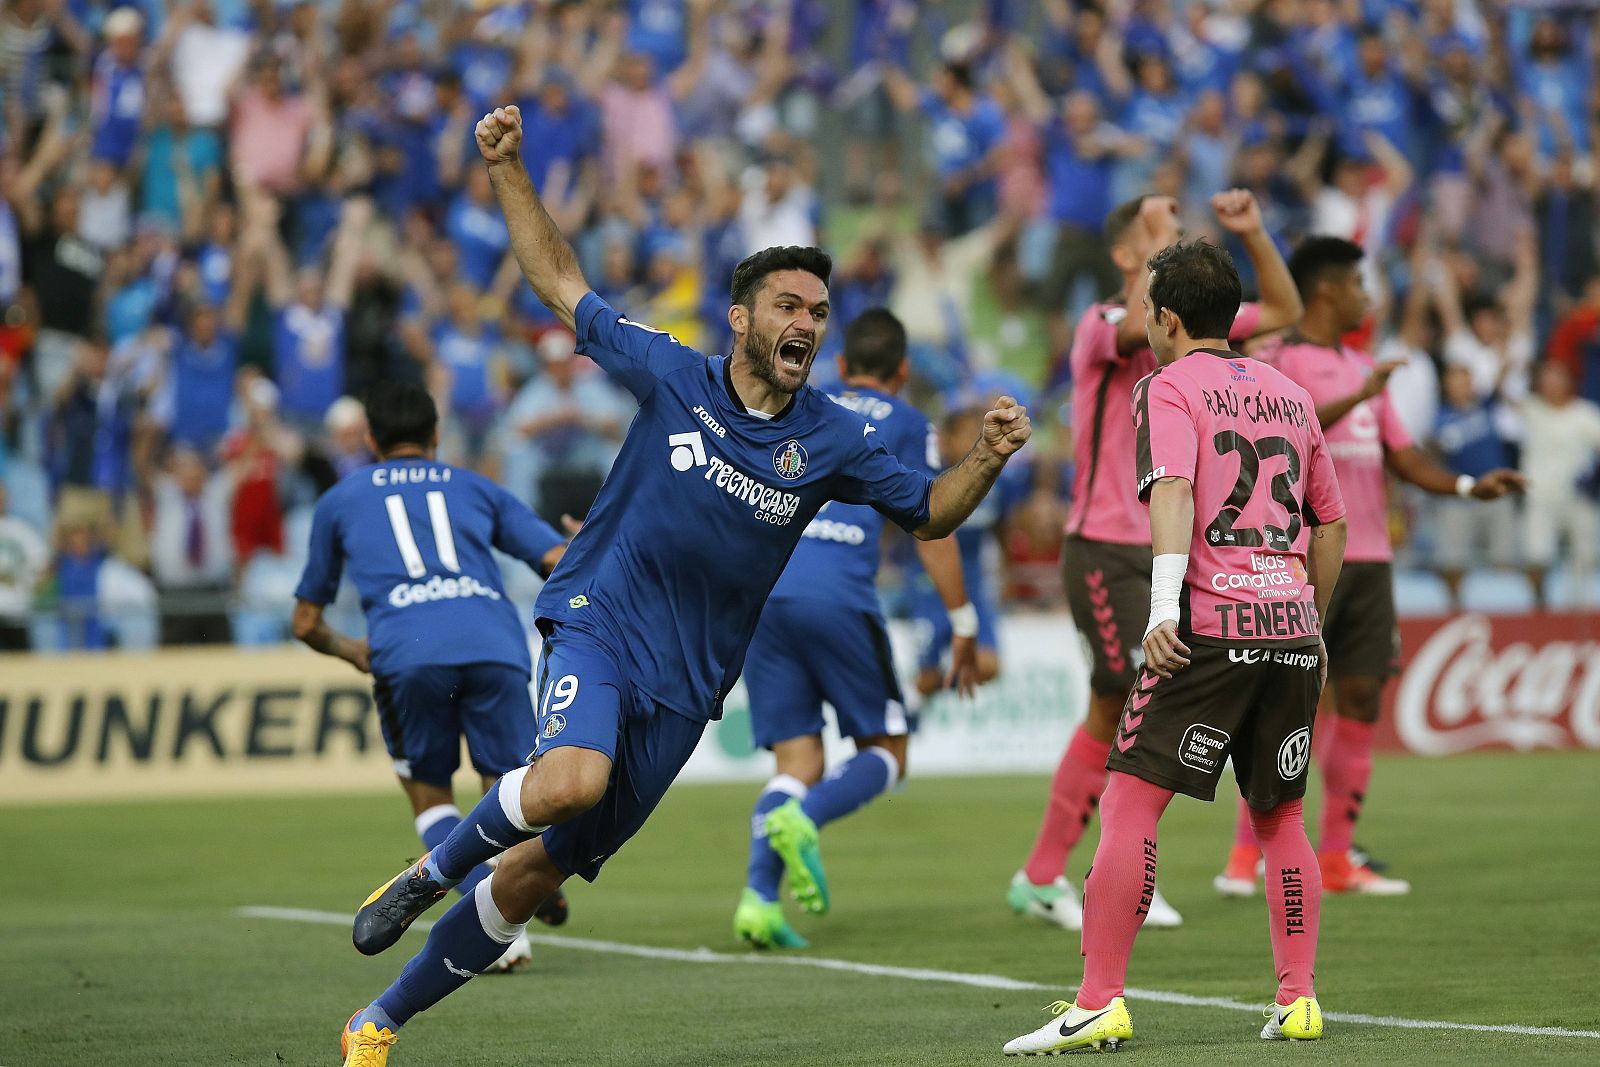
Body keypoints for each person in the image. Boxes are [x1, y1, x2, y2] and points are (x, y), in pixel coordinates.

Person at [335, 104, 1031, 1067]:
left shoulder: (833, 437)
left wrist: (987, 458)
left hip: (689, 684)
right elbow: (561, 281)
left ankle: (376, 1023)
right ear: (743, 317)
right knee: (571, 779)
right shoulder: (672, 374)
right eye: (789, 305)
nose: (807, 324)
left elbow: (932, 512)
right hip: (599, 618)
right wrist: (506, 170)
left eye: (819, 313)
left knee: (539, 870)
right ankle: (432, 868)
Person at [1005, 239, 1348, 1056]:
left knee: (1129, 801)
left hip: (1212, 629)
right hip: (1291, 627)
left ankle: (1098, 1001)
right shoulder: (1291, 394)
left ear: (1164, 317)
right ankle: (1298, 998)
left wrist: (1163, 607)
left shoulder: (1166, 386)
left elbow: (1178, 490)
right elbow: (1329, 522)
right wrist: (1313, 625)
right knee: (1283, 815)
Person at [1008, 189, 1302, 930]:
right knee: (1127, 700)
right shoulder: (1102, 324)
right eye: (1157, 232)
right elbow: (1154, 313)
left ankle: (1058, 871)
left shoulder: (1186, 332)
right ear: (1126, 254)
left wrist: (1254, 235)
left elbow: (1286, 312)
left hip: (1172, 549)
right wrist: (1168, 246)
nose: (1172, 238)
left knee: (1124, 708)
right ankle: (1063, 872)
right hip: (1106, 545)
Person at [1214, 237, 1525, 898]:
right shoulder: (1280, 361)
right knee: (1286, 702)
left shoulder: (1363, 366)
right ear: (1327, 291)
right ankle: (1245, 856)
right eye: (1359, 284)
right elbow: (1291, 432)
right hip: (1299, 552)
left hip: (1372, 558)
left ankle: (1334, 857)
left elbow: (1404, 459)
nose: (1368, 296)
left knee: (1359, 698)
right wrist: (1360, 392)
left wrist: (1471, 487)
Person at [293, 379, 572, 978]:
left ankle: (495, 928)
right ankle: (526, 888)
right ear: (437, 436)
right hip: (495, 645)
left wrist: (353, 652)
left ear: (370, 440)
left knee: (429, 793)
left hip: (407, 652)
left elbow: (304, 621)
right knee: (513, 795)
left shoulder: (340, 499)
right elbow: (556, 559)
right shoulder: (475, 485)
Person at [733, 307, 979, 950]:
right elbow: (932, 524)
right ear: (901, 372)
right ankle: (803, 819)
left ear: (841, 366)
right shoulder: (905, 420)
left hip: (764, 591)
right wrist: (962, 620)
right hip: (838, 595)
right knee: (887, 750)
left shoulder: (800, 402)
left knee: (798, 759)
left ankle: (759, 900)